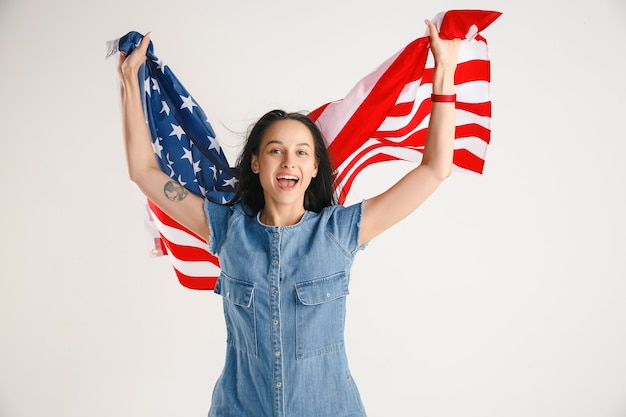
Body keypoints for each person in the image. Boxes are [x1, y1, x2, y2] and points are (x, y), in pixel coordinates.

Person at [118, 19, 459, 417]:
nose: (288, 161)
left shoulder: (341, 231)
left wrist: (445, 71)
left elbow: (435, 168)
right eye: (276, 150)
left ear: (314, 167)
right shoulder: (225, 229)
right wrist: (129, 80)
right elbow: (144, 172)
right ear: (257, 164)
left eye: (301, 152)